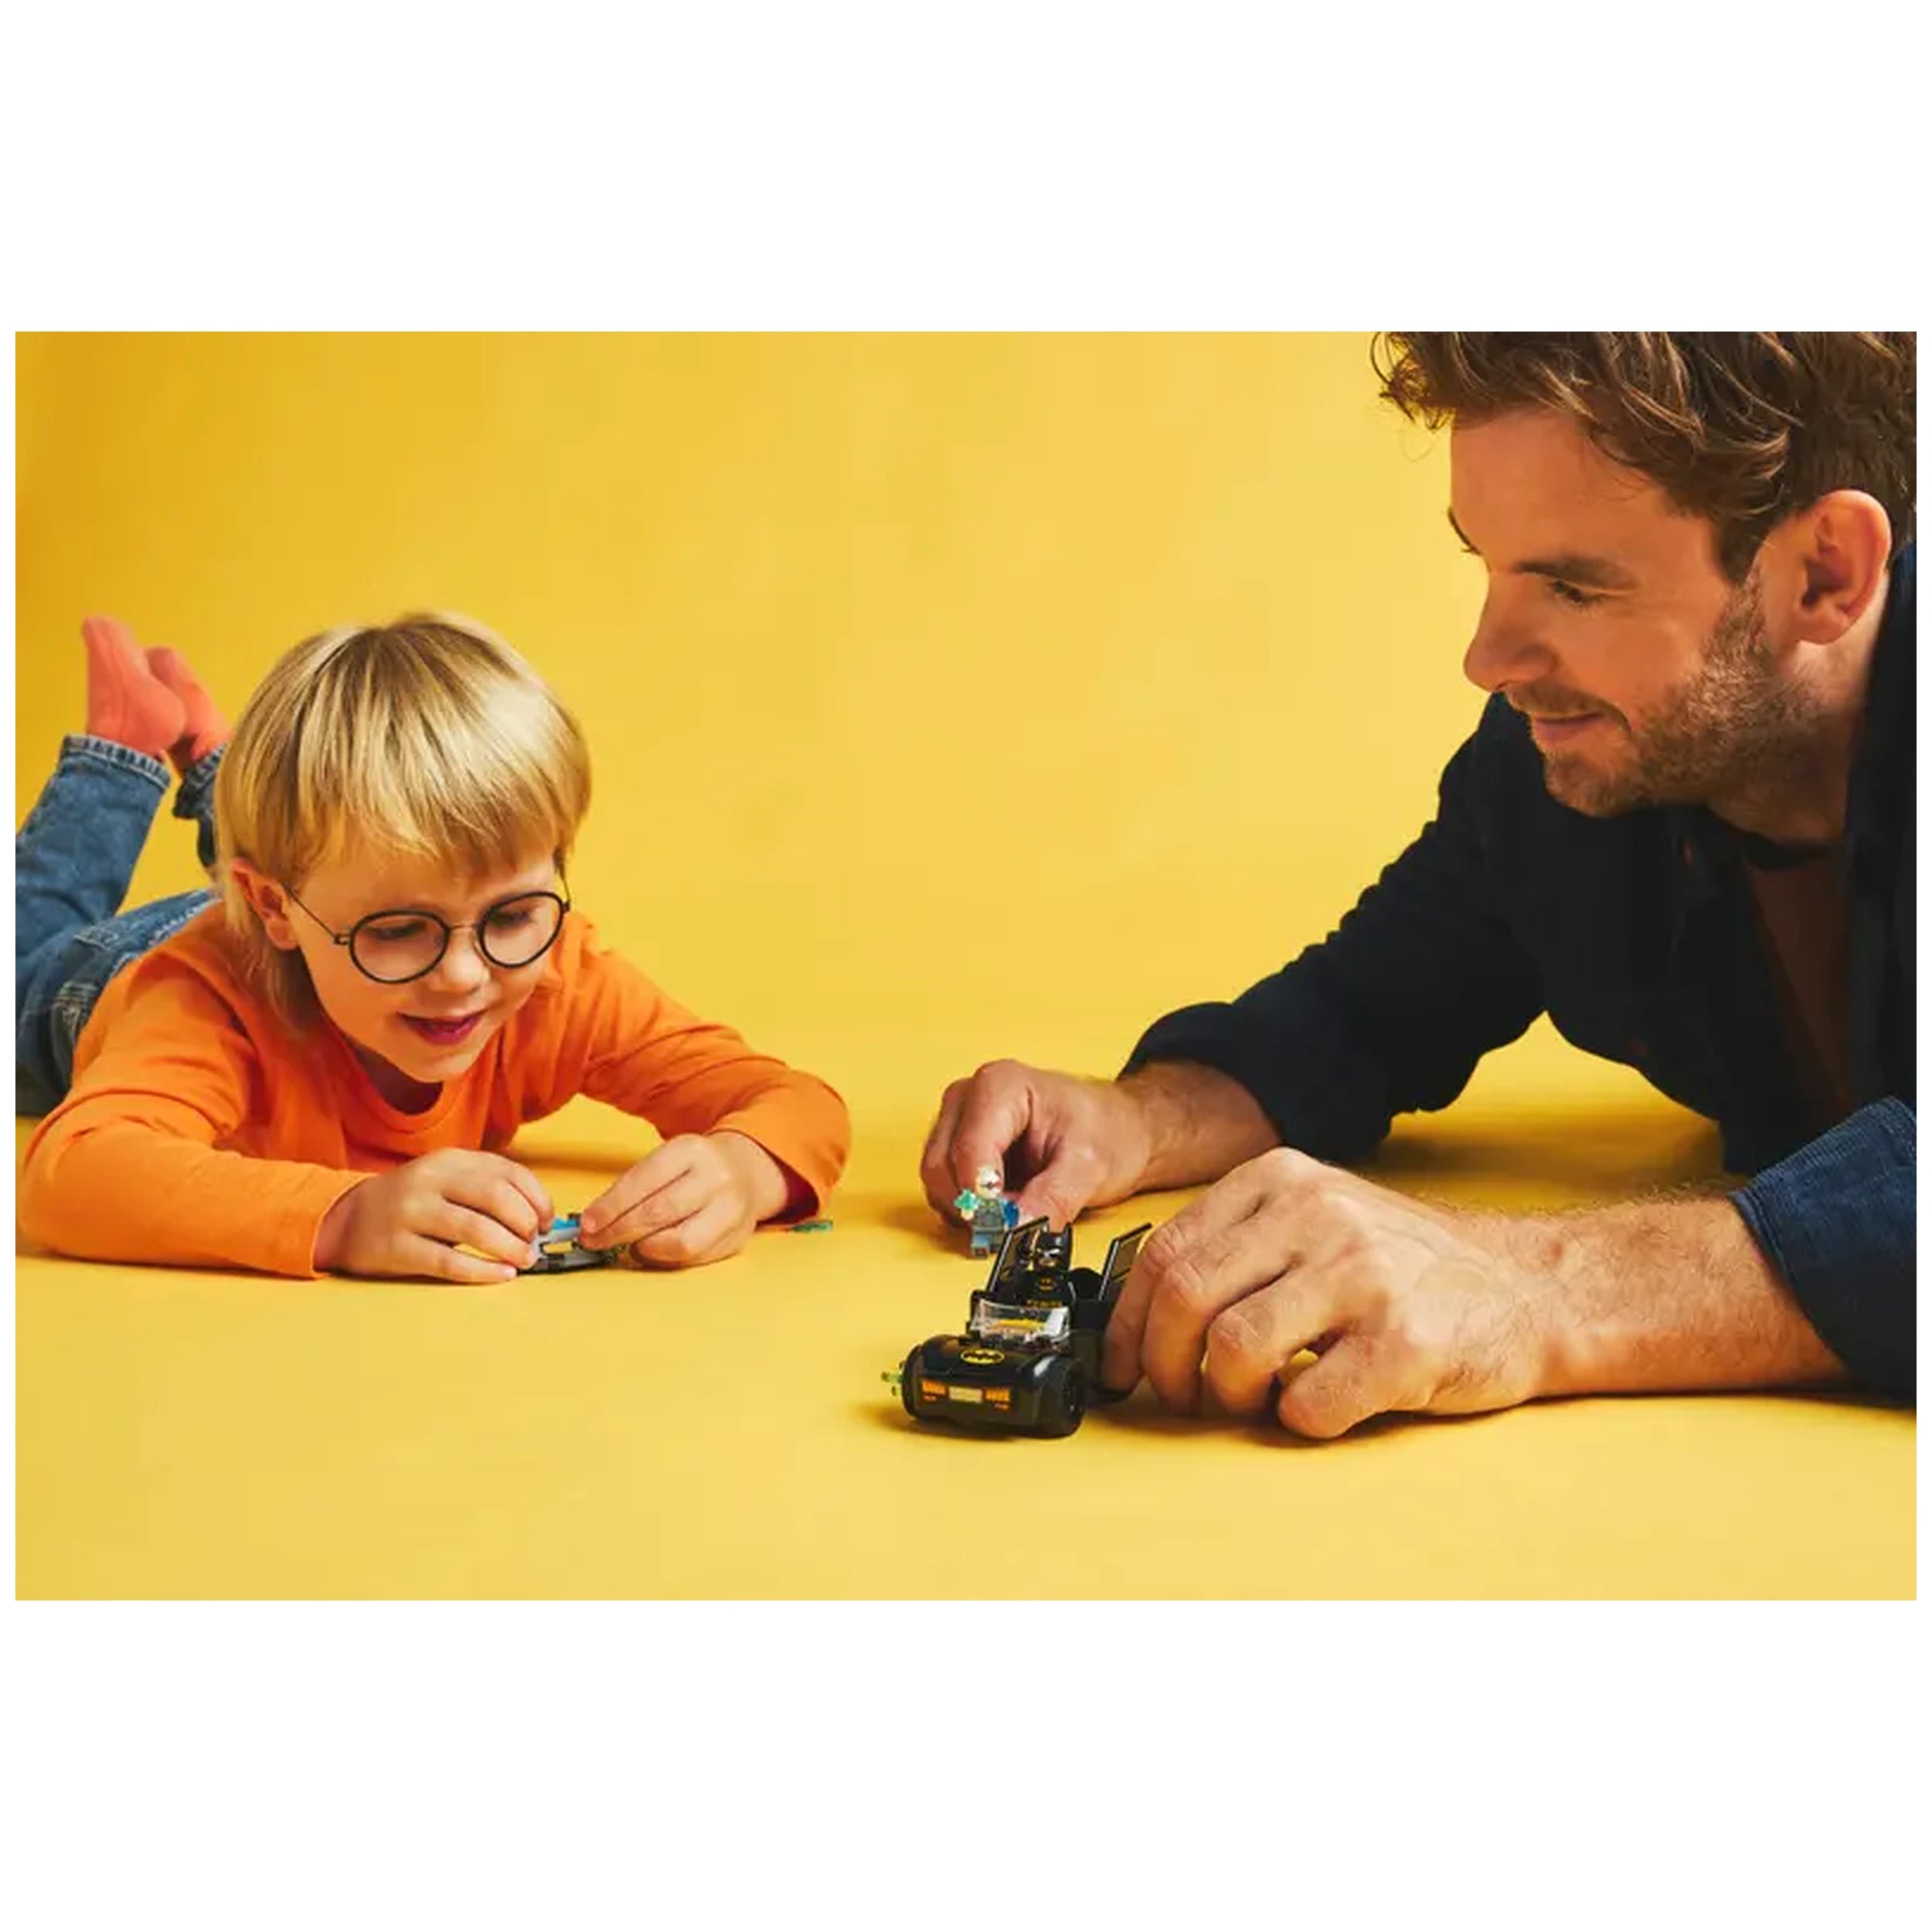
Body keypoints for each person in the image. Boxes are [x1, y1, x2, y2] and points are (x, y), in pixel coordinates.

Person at [920, 332, 1914, 1435]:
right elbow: (1367, 1009)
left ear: (1825, 572)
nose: (1488, 659)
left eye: (1575, 586)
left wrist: (1534, 1288)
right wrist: (1134, 1121)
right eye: (1489, 566)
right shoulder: (1572, 765)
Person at [17, 614, 849, 1279]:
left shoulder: (557, 976)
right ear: (272, 908)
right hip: (104, 975)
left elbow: (796, 1100)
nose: (463, 975)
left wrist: (746, 1168)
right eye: (397, 931)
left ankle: (219, 762)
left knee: (313, 848)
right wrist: (347, 1219)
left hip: (311, 901)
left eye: (512, 915)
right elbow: (71, 1175)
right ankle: (124, 748)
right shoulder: (203, 1000)